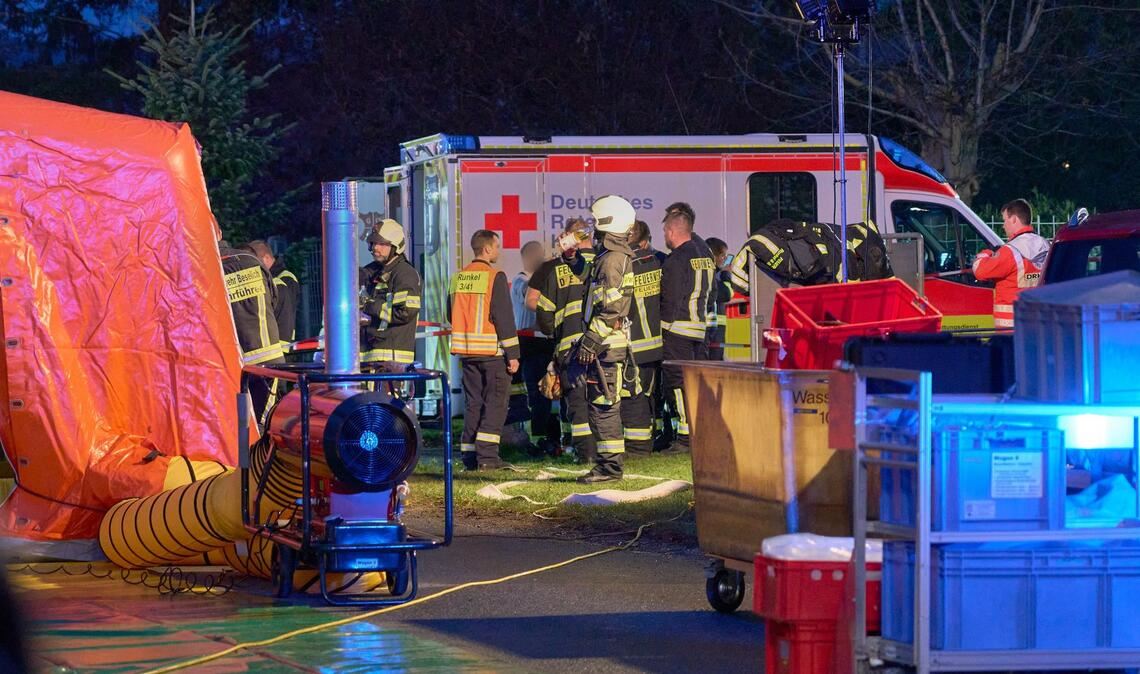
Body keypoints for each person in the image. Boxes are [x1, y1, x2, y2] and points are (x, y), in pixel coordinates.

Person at [575, 196, 636, 483]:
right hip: (607, 344)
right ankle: (606, 465)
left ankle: (610, 468)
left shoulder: (612, 261)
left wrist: (590, 341)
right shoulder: (610, 257)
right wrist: (573, 260)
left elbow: (613, 309)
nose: (593, 228)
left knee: (604, 406)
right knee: (601, 404)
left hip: (607, 346)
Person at [449, 230, 520, 470]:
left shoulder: (457, 278)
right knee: (496, 404)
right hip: (492, 353)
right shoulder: (494, 276)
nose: (498, 251)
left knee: (474, 404)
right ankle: (488, 458)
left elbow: (451, 314)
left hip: (467, 353)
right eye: (497, 247)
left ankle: (469, 456)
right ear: (487, 249)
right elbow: (503, 317)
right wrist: (514, 355)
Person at [531, 218, 596, 462]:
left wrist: (553, 334)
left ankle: (586, 455)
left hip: (570, 345)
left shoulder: (556, 269)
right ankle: (608, 452)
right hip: (604, 344)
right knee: (603, 400)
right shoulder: (604, 262)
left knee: (577, 402)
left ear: (570, 236)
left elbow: (544, 312)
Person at [659, 202, 716, 454]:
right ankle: (700, 430)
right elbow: (712, 293)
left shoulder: (675, 261)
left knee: (677, 383)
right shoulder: (705, 255)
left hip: (677, 330)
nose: (665, 237)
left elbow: (670, 297)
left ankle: (685, 438)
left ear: (672, 232)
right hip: (699, 328)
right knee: (695, 382)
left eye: (665, 232)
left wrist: (663, 326)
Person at [220, 241, 284, 422]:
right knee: (267, 419)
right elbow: (273, 299)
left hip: (237, 362)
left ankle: (248, 450)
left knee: (242, 421)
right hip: (269, 357)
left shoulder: (211, 266)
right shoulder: (252, 260)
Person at [620, 220, 664, 457]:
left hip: (633, 343)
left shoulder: (625, 265)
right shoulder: (660, 261)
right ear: (645, 241)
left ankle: (637, 448)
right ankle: (649, 439)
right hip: (656, 343)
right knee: (649, 394)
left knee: (633, 395)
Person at [972, 198, 1050, 328]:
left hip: (1011, 328)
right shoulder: (1046, 245)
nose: (1003, 225)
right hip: (1039, 323)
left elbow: (980, 271)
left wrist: (986, 254)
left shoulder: (1010, 252)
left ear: (1014, 219)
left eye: (1005, 220)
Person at [505, 241, 548, 454]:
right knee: (535, 391)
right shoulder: (522, 281)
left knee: (545, 391)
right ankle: (533, 437)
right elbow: (532, 301)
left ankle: (545, 434)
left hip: (541, 340)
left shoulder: (534, 280)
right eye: (538, 256)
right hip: (530, 342)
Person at [360, 219, 422, 365]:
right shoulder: (374, 271)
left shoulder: (405, 274)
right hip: (371, 355)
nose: (376, 248)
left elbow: (405, 312)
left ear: (395, 247)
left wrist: (369, 306)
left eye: (382, 244)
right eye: (374, 243)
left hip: (392, 358)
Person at [248, 239, 299, 349]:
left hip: (284, 345)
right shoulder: (271, 279)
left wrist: (282, 347)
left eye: (255, 262)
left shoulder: (285, 279)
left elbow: (285, 314)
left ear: (266, 258)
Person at [705, 237, 732, 361]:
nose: (725, 259)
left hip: (717, 327)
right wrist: (726, 276)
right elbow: (726, 295)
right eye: (723, 256)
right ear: (714, 256)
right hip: (710, 328)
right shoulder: (712, 274)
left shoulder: (717, 273)